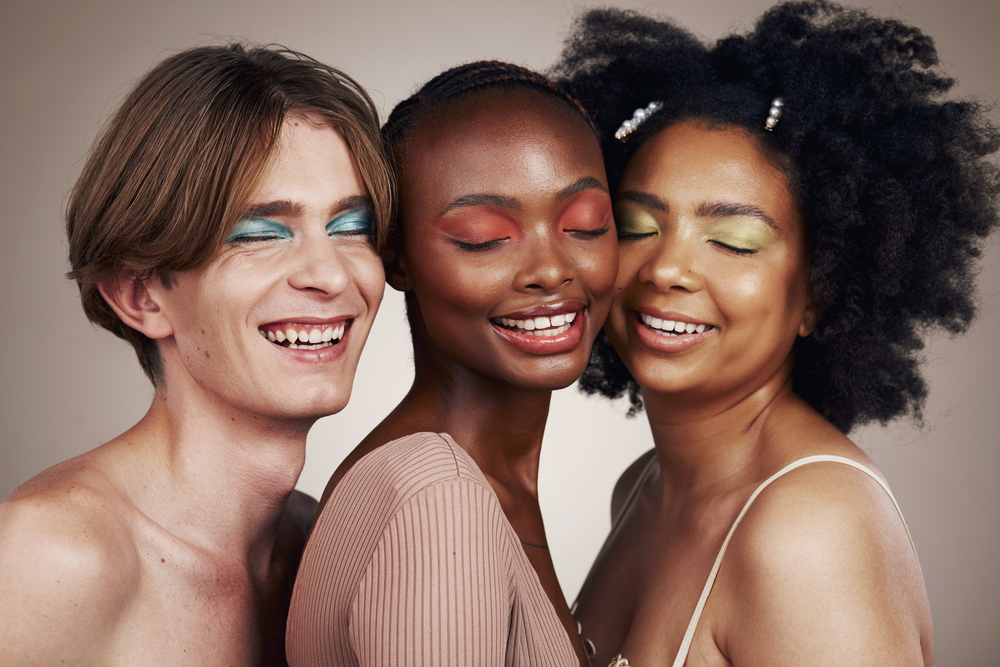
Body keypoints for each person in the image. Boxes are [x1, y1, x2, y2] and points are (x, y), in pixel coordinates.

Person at [552, 2, 999, 665]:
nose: (668, 267)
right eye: (639, 226)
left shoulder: (809, 530)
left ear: (818, 294)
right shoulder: (643, 485)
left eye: (732, 241)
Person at [0, 43, 392, 666]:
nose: (331, 275)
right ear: (140, 294)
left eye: (352, 228)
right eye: (261, 235)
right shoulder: (50, 556)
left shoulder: (319, 543)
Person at [286, 61, 618, 666]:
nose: (551, 269)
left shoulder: (475, 481)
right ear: (398, 257)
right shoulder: (438, 501)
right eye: (484, 238)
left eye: (585, 225)